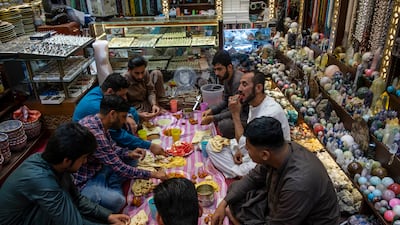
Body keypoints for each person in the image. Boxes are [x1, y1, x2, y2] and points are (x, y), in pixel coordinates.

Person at [212, 116, 340, 225]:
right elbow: (253, 178)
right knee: (236, 192)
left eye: (248, 149)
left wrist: (234, 220)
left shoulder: (297, 184)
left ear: (265, 155)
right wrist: (223, 204)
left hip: (304, 219)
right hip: (280, 202)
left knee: (241, 205)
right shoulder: (282, 149)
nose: (246, 152)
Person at [0, 122, 131, 225]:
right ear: (67, 160)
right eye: (83, 157)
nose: (85, 161)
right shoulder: (40, 179)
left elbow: (77, 199)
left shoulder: (57, 163)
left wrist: (108, 216)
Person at [75, 95, 167, 213]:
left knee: (133, 159)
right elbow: (119, 166)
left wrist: (129, 153)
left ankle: (110, 183)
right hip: (87, 180)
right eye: (123, 117)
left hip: (101, 167)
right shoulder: (95, 134)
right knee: (118, 201)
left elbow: (111, 149)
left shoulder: (98, 121)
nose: (124, 121)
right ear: (112, 114)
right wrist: (154, 174)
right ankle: (111, 185)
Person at [206, 71, 290, 178]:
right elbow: (247, 141)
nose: (239, 89)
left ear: (258, 88)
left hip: (267, 159)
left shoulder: (269, 113)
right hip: (253, 147)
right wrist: (237, 150)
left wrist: (235, 114)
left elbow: (247, 146)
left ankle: (238, 173)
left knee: (240, 164)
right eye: (240, 84)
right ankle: (238, 169)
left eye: (244, 84)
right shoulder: (254, 103)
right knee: (211, 145)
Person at [73, 73, 165, 157]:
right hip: (87, 148)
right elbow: (117, 136)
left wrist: (130, 115)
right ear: (110, 92)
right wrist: (149, 146)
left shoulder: (100, 90)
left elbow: (128, 110)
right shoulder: (97, 108)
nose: (125, 98)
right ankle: (130, 143)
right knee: (128, 162)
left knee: (132, 111)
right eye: (122, 95)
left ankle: (131, 140)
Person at [201, 50, 249, 139]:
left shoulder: (237, 81)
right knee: (211, 109)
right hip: (235, 109)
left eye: (219, 69)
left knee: (224, 126)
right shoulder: (226, 77)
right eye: (215, 69)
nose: (216, 73)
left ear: (229, 67)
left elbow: (236, 110)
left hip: (245, 114)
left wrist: (213, 118)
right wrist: (211, 111)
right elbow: (225, 101)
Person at [124, 55, 166, 120]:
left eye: (142, 72)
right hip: (136, 107)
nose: (140, 76)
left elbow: (150, 91)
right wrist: (138, 114)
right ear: (129, 70)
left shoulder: (145, 73)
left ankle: (158, 105)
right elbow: (123, 106)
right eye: (137, 73)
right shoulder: (124, 80)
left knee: (157, 73)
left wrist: (154, 104)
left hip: (146, 101)